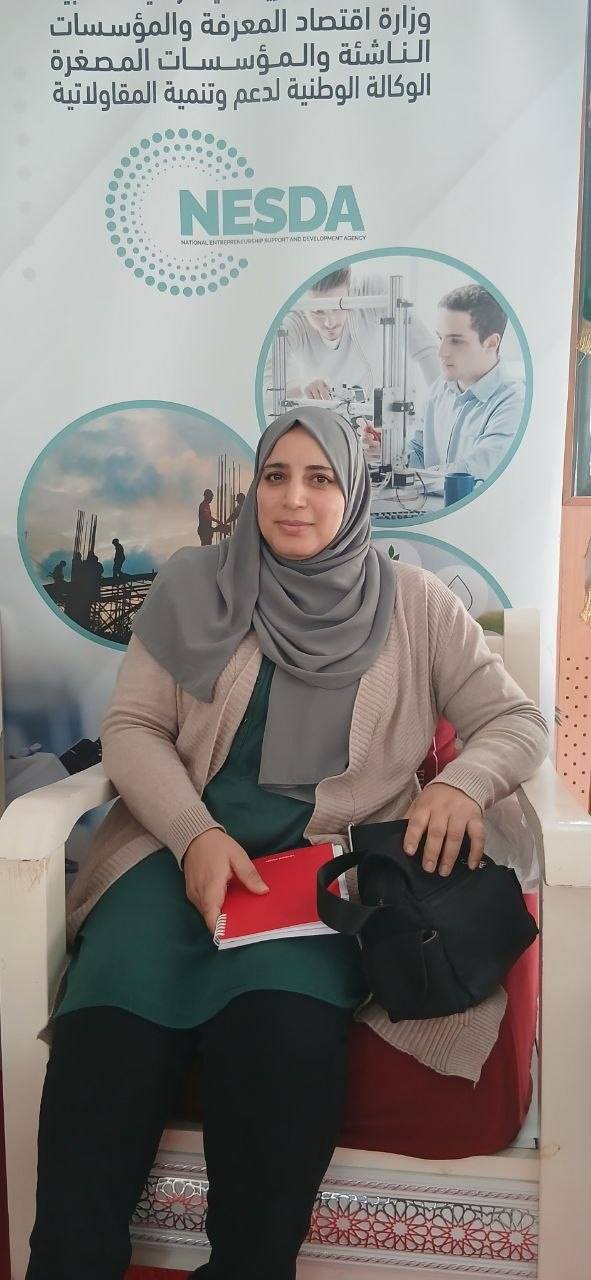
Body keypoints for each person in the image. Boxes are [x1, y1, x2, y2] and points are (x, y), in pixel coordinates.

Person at [26, 407, 547, 1280]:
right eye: (276, 476)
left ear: (354, 495)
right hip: (172, 856)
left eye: (319, 479)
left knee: (280, 1038)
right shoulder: (194, 585)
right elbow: (133, 729)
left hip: (317, 876)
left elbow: (516, 722)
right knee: (106, 1030)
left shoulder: (414, 605)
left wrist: (461, 782)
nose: (293, 499)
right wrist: (194, 834)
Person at [264, 266, 440, 411]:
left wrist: (439, 412)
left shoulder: (371, 291)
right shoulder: (291, 320)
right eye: (318, 311)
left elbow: (424, 349)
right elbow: (266, 389)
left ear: (350, 289)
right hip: (323, 420)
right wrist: (302, 386)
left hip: (375, 413)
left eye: (338, 307)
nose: (330, 322)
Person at [406, 284, 525, 481]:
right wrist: (390, 451)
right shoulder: (438, 390)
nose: (441, 352)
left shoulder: (514, 402)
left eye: (456, 341)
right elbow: (419, 453)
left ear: (491, 342)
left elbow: (471, 473)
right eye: (440, 338)